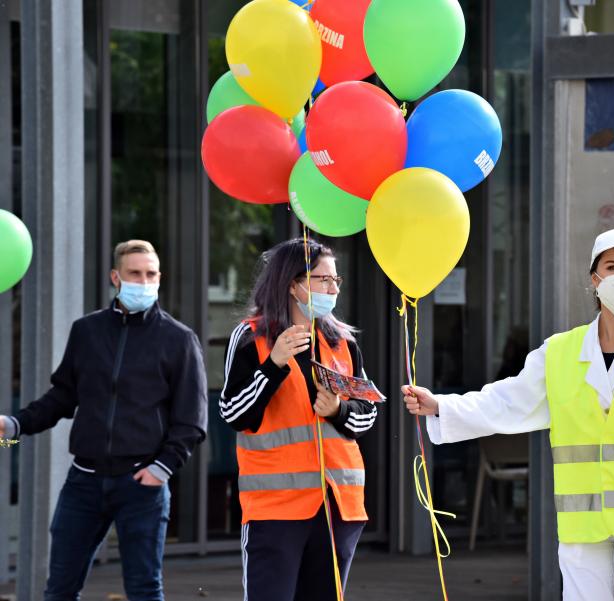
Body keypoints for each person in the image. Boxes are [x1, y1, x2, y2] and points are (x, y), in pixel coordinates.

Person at [404, 227, 614, 601]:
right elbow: (508, 400)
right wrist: (443, 405)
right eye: (612, 266)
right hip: (584, 523)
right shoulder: (559, 352)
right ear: (594, 277)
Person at [0, 240, 208, 601]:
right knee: (60, 589)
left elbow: (191, 419)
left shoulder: (179, 339)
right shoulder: (87, 331)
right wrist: (15, 426)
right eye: (134, 273)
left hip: (142, 484)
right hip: (84, 482)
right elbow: (62, 397)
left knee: (144, 589)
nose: (144, 281)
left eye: (151, 274)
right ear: (116, 277)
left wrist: (162, 467)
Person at [220, 238, 377, 601]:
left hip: (339, 505)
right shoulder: (251, 336)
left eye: (336, 281)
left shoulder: (343, 342)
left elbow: (367, 414)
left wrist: (339, 411)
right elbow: (234, 413)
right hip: (275, 507)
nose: (332, 288)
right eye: (323, 280)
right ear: (293, 283)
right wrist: (273, 364)